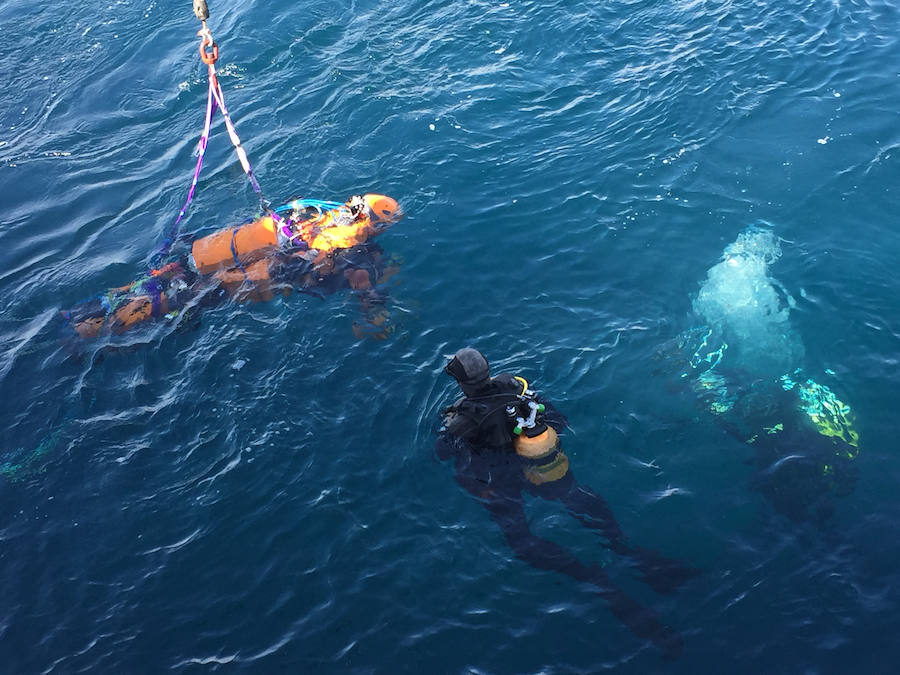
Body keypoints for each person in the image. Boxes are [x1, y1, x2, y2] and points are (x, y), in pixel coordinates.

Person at [436, 348, 699, 659]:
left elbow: (448, 456)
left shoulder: (462, 420)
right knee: (575, 497)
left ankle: (592, 578)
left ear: (461, 383)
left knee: (521, 542)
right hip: (542, 464)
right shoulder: (512, 385)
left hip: (502, 478)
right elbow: (558, 420)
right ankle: (628, 550)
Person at [61, 193, 401, 340]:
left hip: (220, 251)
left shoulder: (322, 215)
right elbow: (364, 293)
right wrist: (378, 315)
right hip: (244, 279)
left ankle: (91, 307)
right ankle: (88, 334)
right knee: (175, 304)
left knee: (167, 279)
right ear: (378, 224)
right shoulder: (356, 254)